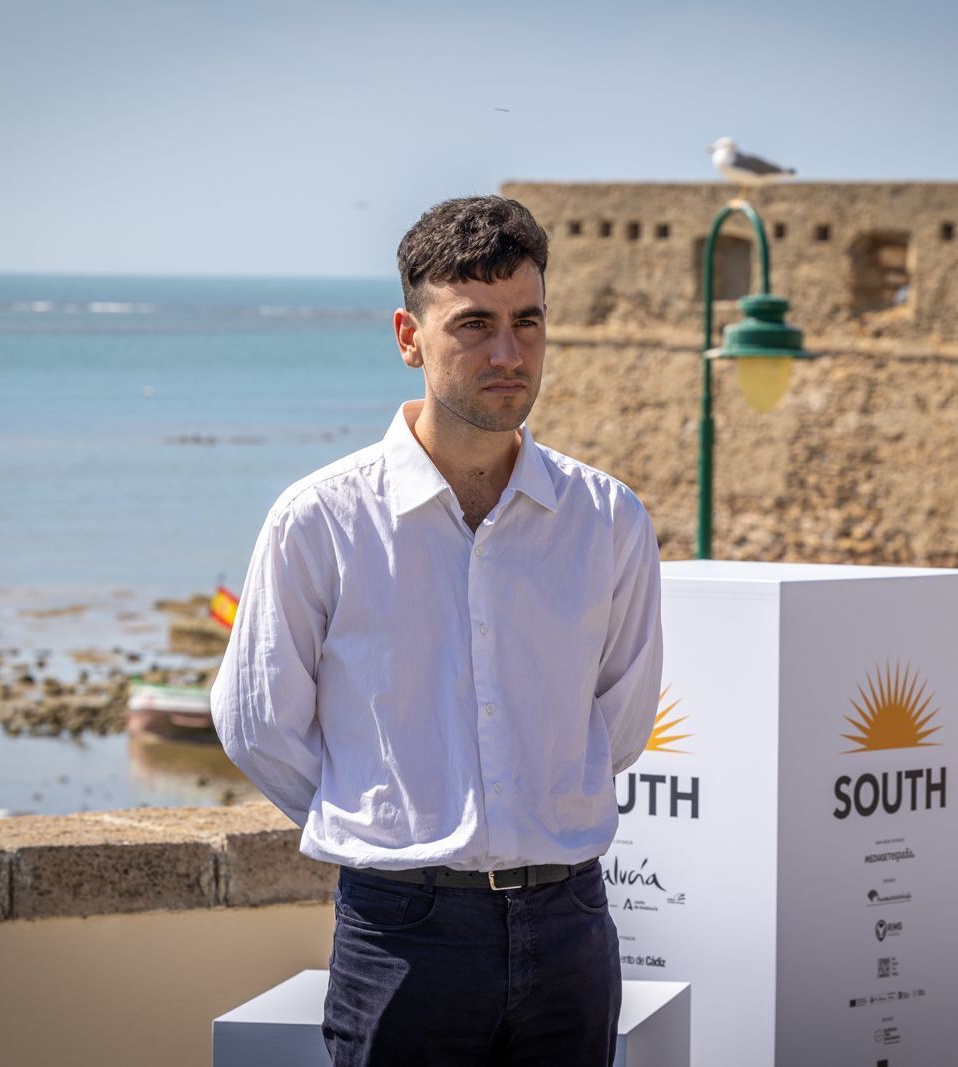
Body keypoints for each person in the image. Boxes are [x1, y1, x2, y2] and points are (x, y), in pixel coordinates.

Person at [211, 195, 664, 1066]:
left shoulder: (607, 518)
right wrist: (385, 824)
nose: (508, 352)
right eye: (474, 325)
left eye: (528, 322)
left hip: (572, 928)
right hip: (401, 936)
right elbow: (257, 721)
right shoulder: (321, 520)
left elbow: (622, 718)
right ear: (408, 336)